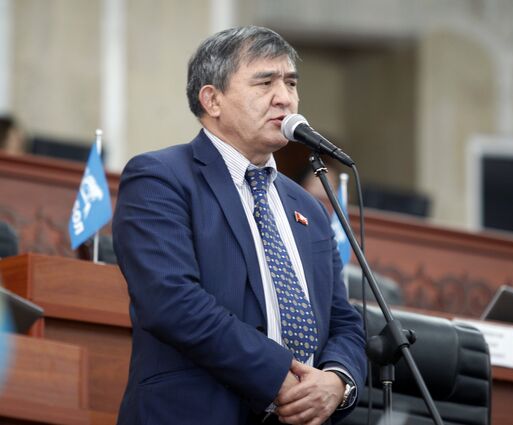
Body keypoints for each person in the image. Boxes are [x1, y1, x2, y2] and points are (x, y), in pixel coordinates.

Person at [112, 26, 366, 425]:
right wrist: (278, 376)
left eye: (291, 83)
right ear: (212, 100)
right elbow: (171, 301)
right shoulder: (160, 177)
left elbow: (344, 321)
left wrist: (338, 381)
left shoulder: (309, 208)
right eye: (265, 83)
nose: (285, 98)